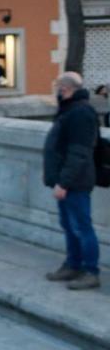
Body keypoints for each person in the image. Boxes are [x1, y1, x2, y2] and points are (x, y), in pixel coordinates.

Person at [43, 72, 101, 291]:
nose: (56, 91)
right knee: (69, 224)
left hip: (75, 181)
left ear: (65, 89)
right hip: (66, 179)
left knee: (81, 226)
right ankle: (73, 264)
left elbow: (79, 152)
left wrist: (64, 182)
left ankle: (91, 271)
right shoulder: (70, 109)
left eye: (57, 87)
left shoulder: (80, 113)